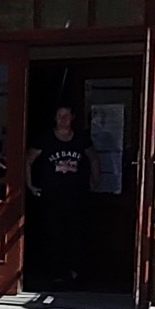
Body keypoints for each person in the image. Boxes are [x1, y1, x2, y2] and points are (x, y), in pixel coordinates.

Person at [27, 106, 98, 288]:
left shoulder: (81, 138)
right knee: (53, 233)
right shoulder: (45, 138)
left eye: (66, 115)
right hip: (51, 196)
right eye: (60, 115)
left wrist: (95, 180)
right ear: (55, 118)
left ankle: (75, 272)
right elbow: (28, 161)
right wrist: (30, 185)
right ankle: (56, 273)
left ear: (72, 117)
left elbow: (93, 158)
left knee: (76, 233)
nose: (63, 119)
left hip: (76, 195)